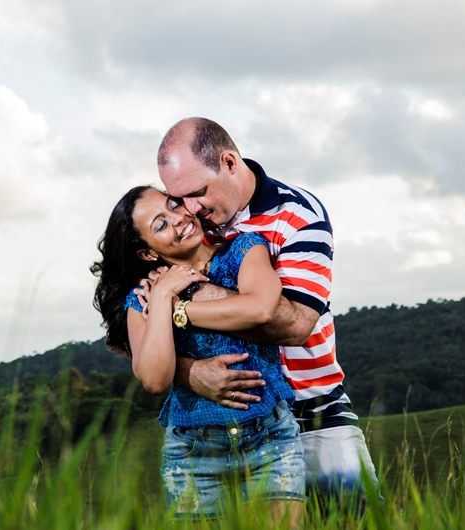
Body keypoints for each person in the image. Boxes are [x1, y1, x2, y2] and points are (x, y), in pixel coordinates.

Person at [142, 117, 378, 508]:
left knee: (355, 516)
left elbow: (296, 324)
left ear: (230, 163)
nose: (190, 209)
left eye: (198, 193)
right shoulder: (184, 225)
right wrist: (190, 371)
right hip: (224, 425)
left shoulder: (297, 214)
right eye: (178, 198)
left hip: (314, 409)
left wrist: (185, 300)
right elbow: (138, 325)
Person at [91, 185, 306, 526]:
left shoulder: (244, 249)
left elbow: (260, 309)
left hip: (271, 438)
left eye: (173, 205)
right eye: (160, 225)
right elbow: (153, 378)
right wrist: (162, 297)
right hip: (193, 454)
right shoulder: (144, 298)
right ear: (147, 254)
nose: (179, 219)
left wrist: (181, 309)